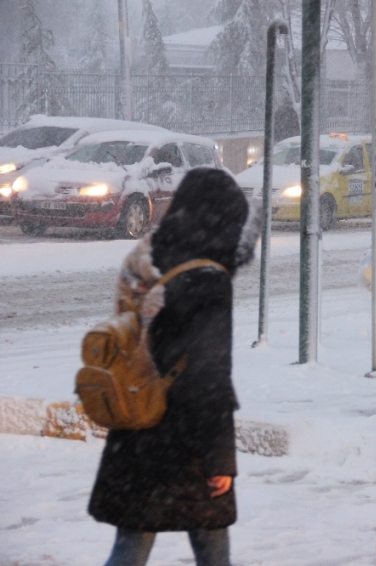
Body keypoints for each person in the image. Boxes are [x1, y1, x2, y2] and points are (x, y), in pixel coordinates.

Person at [88, 168, 261, 566]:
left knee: (130, 545)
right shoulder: (207, 277)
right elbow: (209, 377)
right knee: (213, 552)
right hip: (187, 439)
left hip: (138, 420)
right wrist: (219, 460)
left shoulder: (146, 257)